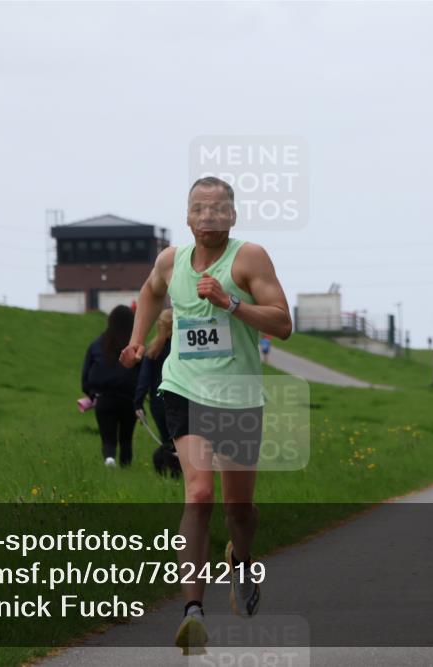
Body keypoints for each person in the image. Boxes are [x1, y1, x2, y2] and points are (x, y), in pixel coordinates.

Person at [119, 176, 292, 654]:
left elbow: (283, 323)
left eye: (219, 209)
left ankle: (241, 558)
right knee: (198, 493)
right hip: (183, 389)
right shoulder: (171, 261)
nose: (209, 216)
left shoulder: (249, 257)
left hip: (237, 396)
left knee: (239, 509)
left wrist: (231, 303)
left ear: (233, 216)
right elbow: (150, 291)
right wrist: (138, 338)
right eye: (200, 208)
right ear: (188, 216)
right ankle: (193, 610)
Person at [81, 305, 140, 467]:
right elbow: (142, 375)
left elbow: (86, 376)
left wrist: (91, 394)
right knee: (126, 438)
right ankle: (126, 467)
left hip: (104, 398)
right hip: (129, 400)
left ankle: (109, 458)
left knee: (108, 436)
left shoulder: (96, 345)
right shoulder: (135, 346)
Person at [134, 308, 180, 478]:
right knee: (179, 440)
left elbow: (143, 380)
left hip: (157, 402)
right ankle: (176, 473)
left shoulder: (152, 350)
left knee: (167, 439)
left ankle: (168, 471)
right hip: (180, 400)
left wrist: (138, 404)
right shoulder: (182, 349)